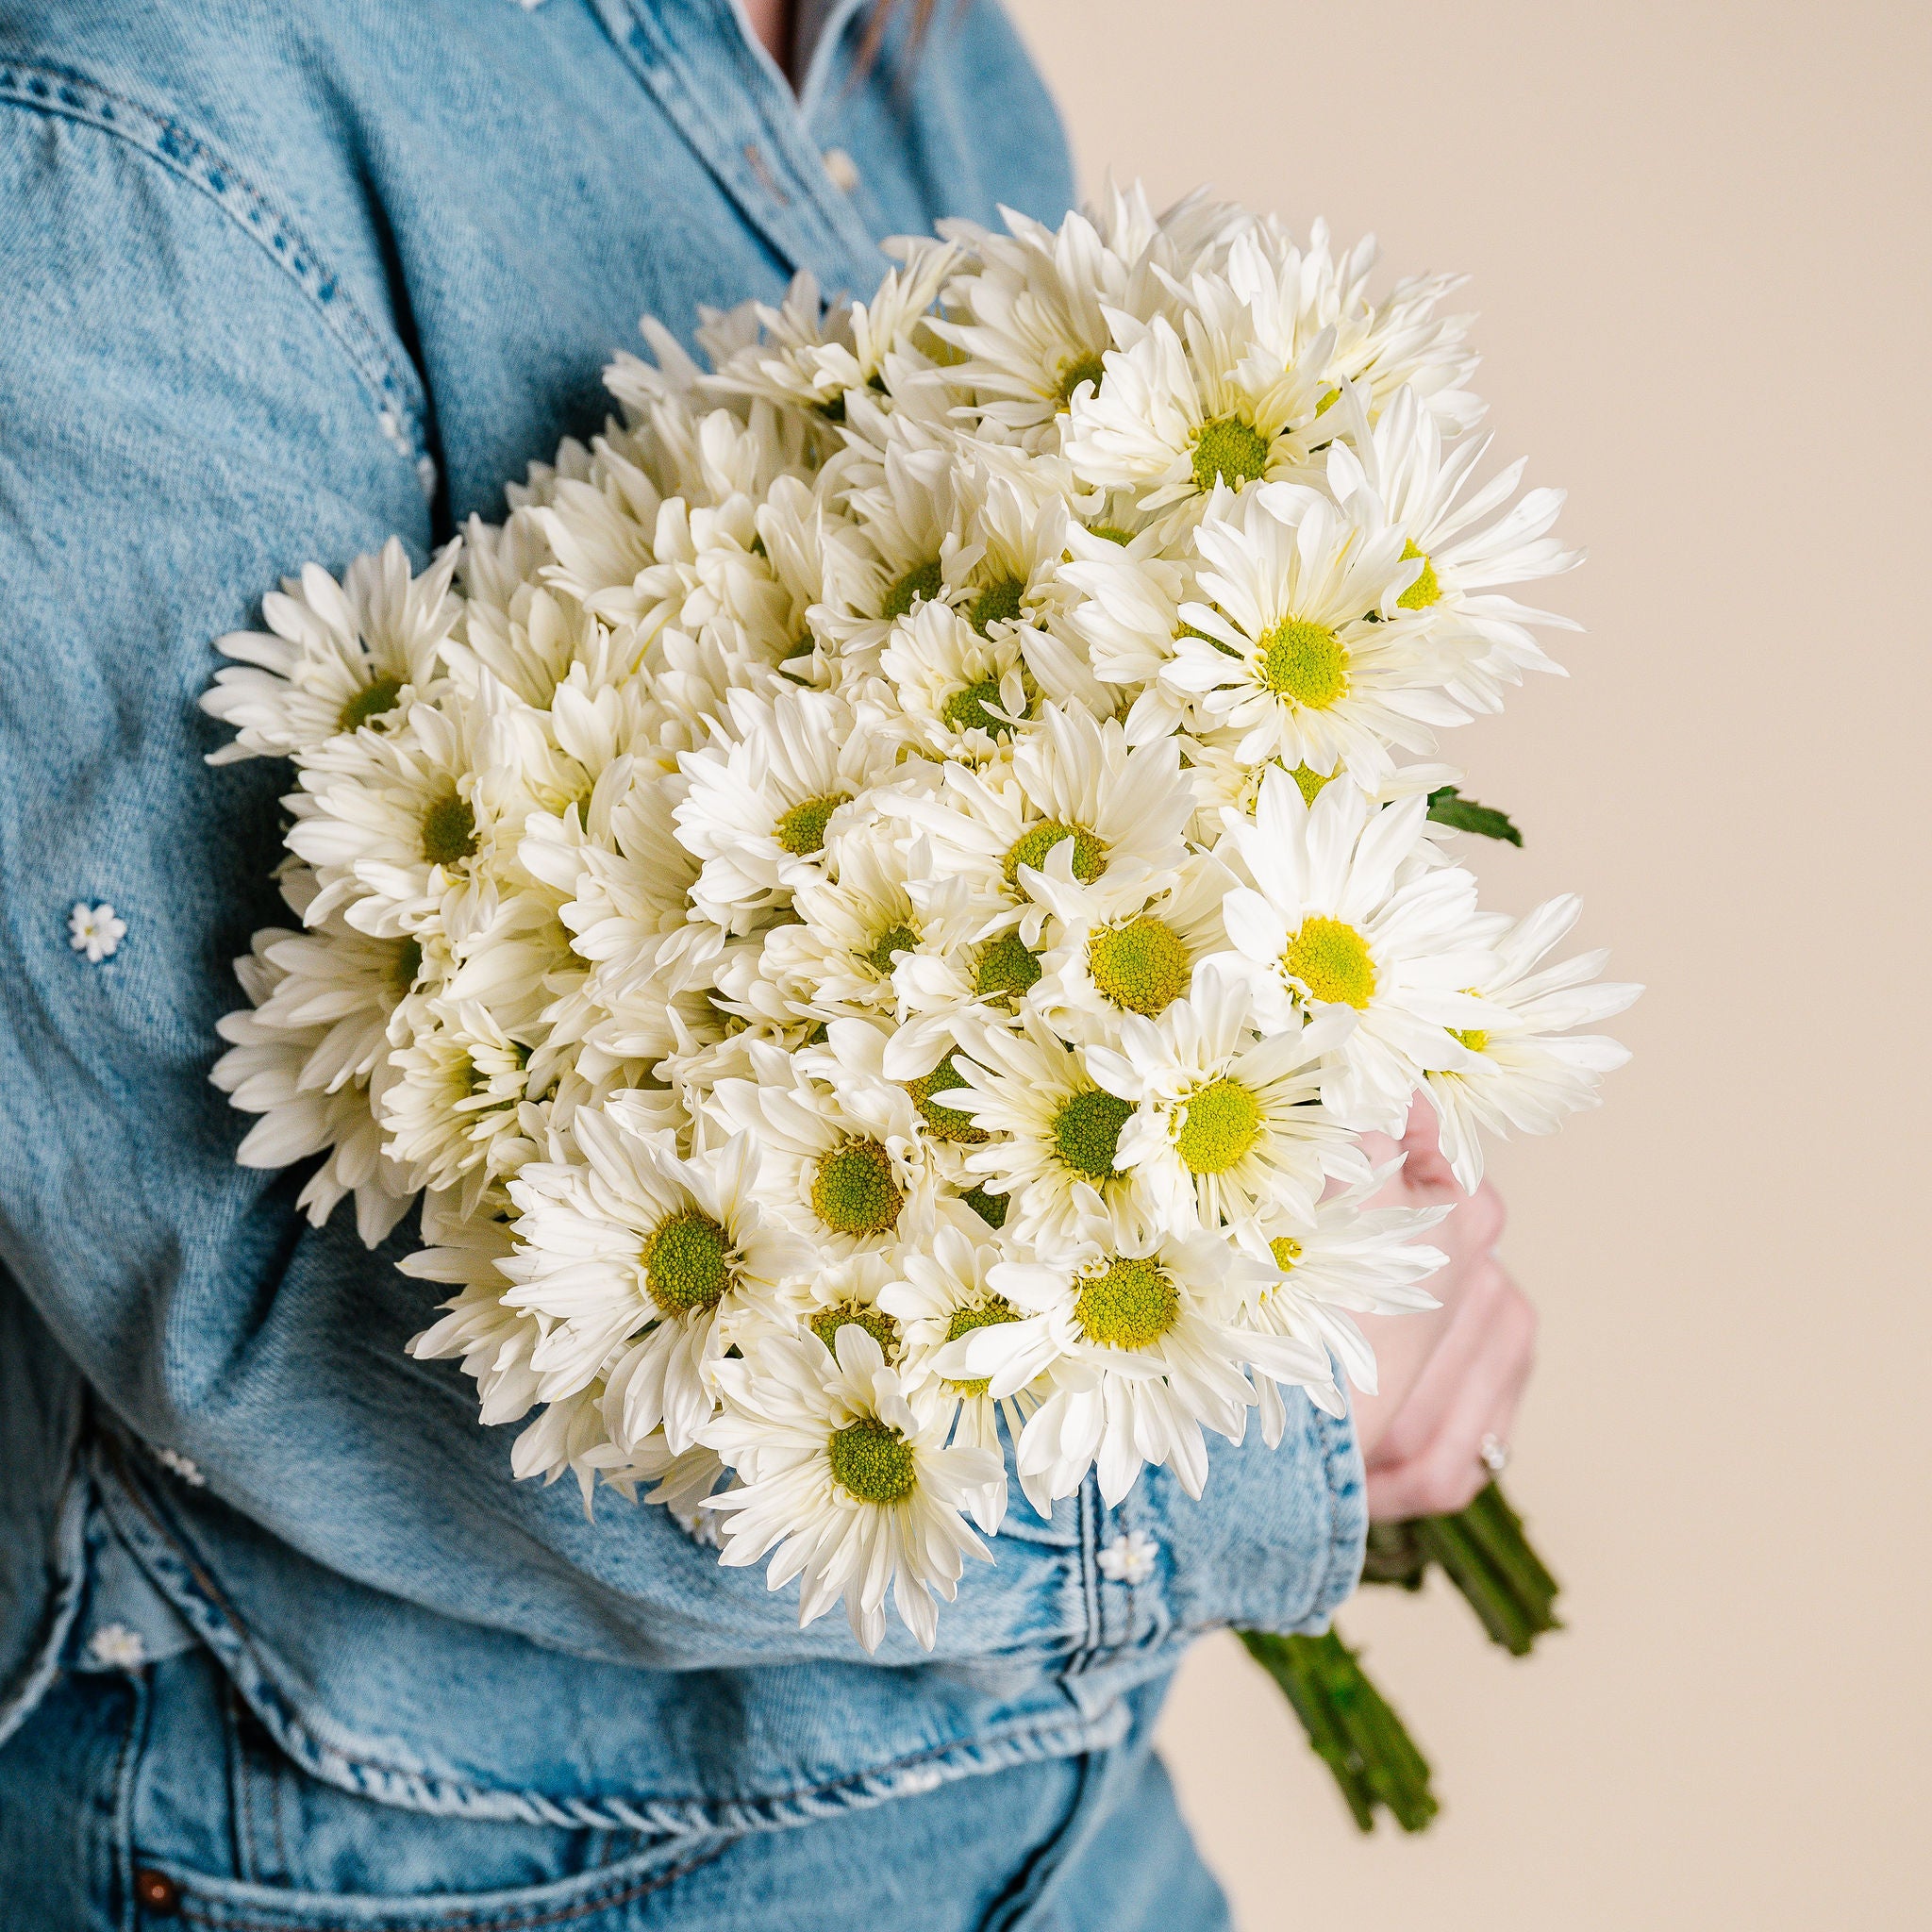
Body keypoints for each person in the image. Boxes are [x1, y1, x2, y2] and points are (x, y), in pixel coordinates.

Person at [0, 2, 1535, 1924]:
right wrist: (1236, 1455)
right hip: (457, 1858)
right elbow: (245, 1280)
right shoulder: (132, 119)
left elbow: (1120, 752)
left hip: (1027, 1784)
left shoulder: (922, 54)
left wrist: (1290, 1183)